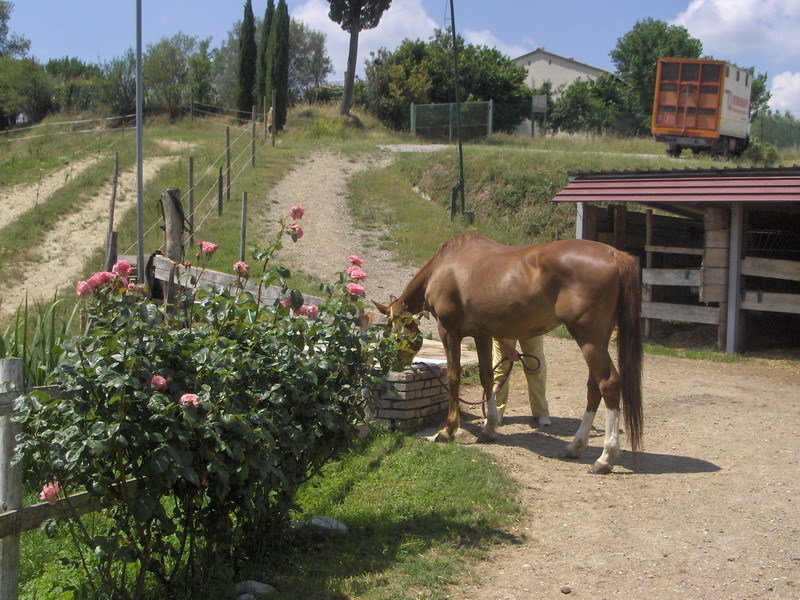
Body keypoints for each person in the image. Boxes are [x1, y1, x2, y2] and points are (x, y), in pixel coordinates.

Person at [491, 336, 550, 426]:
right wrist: (508, 348)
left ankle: (541, 412)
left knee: (535, 366)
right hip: (504, 331)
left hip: (532, 329)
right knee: (501, 369)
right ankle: (496, 411)